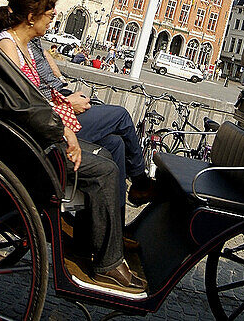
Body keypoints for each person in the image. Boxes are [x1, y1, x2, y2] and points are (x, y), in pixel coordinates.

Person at [0, 0, 145, 295]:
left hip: (40, 132)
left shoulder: (23, 46)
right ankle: (108, 263)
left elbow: (37, 95)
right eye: (48, 15)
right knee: (106, 169)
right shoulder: (8, 46)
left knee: (113, 146)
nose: (52, 20)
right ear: (32, 16)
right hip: (32, 143)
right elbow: (21, 104)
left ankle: (97, 238)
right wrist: (64, 128)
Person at [23, 33, 155, 205]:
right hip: (52, 120)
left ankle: (116, 220)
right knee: (121, 116)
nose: (53, 14)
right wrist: (67, 103)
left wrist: (61, 83)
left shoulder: (32, 42)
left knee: (116, 144)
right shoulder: (14, 45)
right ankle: (139, 180)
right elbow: (26, 102)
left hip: (59, 104)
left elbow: (46, 75)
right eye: (48, 11)